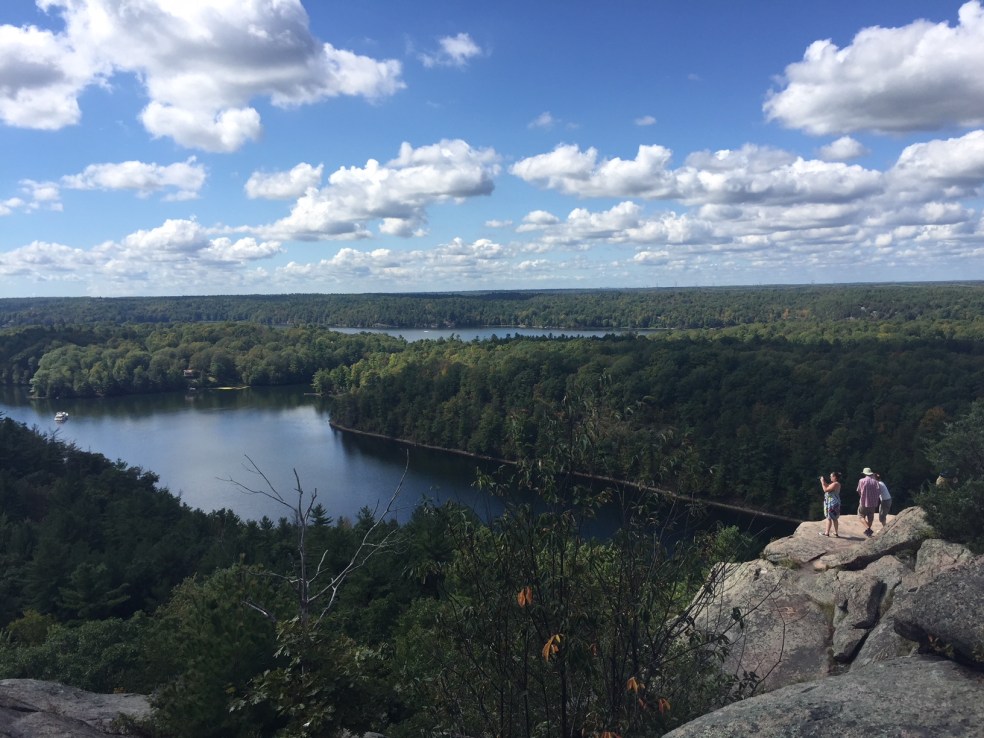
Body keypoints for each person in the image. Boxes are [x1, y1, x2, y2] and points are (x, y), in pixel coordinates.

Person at [857, 467, 881, 537]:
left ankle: (868, 529)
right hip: (873, 503)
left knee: (860, 516)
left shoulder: (861, 481)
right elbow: (879, 492)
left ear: (864, 473)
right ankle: (868, 532)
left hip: (864, 502)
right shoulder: (876, 482)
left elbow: (859, 490)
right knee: (870, 518)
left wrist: (862, 496)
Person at [819, 471, 841, 537]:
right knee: (834, 518)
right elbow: (828, 486)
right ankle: (836, 533)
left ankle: (826, 533)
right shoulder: (836, 484)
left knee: (829, 518)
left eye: (831, 476)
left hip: (832, 503)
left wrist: (822, 482)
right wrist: (823, 481)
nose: (830, 477)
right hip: (834, 503)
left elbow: (825, 489)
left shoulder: (835, 484)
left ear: (834, 477)